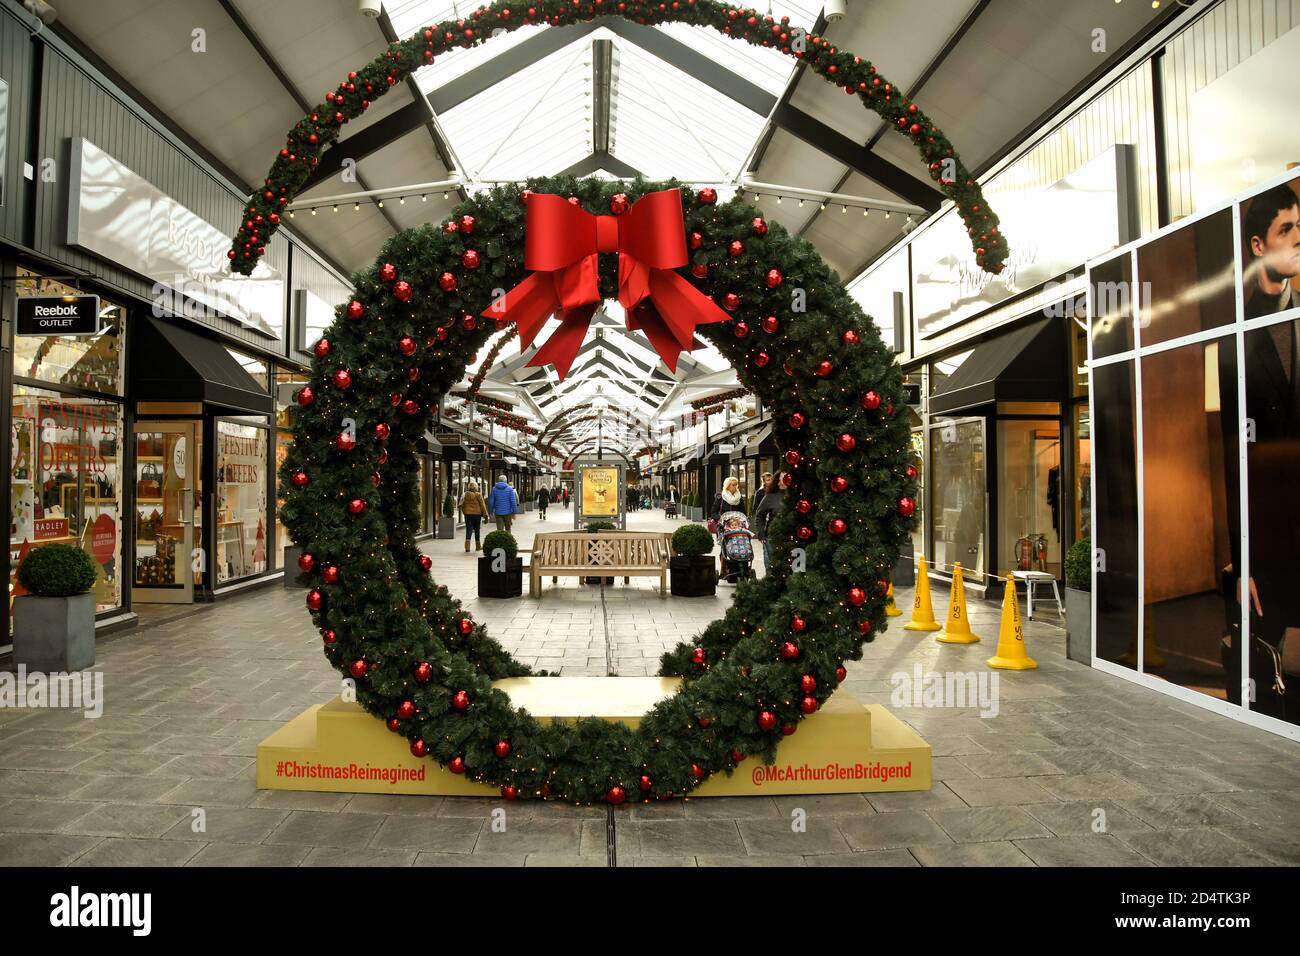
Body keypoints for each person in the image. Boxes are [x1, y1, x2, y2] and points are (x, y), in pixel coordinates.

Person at [1243, 183, 1300, 319]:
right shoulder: (1236, 333)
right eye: (1285, 230)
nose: (1298, 238)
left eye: (1298, 226)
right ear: (1258, 246)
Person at [753, 471, 785, 578]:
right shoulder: (770, 496)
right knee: (773, 565)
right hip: (773, 536)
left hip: (794, 537)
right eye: (783, 477)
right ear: (778, 481)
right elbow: (759, 515)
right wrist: (761, 533)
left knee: (796, 566)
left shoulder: (797, 495)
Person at [718, 511, 755, 585]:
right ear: (730, 526)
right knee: (723, 554)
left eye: (736, 525)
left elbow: (749, 533)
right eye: (733, 525)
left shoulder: (742, 530)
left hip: (743, 545)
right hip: (732, 544)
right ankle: (723, 572)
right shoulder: (728, 530)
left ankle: (746, 569)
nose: (735, 527)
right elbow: (714, 513)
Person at [459, 481, 487, 552]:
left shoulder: (465, 495)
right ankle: (478, 546)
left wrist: (465, 512)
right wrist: (485, 515)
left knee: (469, 530)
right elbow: (482, 505)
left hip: (468, 515)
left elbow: (461, 505)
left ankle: (467, 547)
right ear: (476, 487)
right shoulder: (478, 495)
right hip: (477, 515)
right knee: (477, 530)